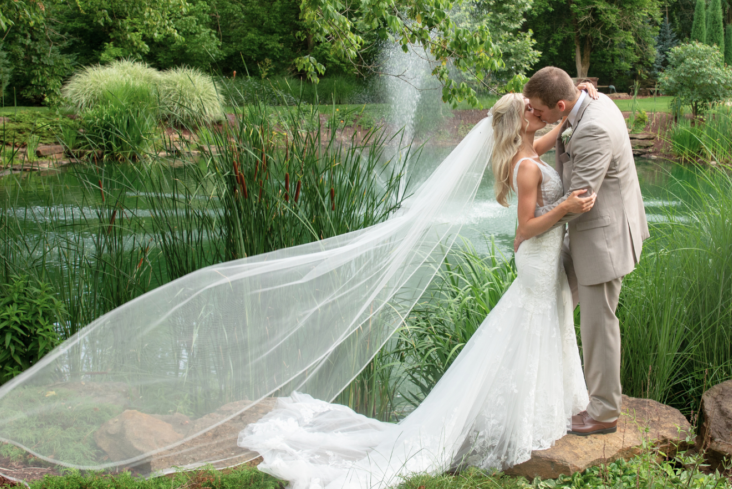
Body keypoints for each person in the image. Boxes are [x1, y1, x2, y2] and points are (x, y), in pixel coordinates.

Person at [236, 84, 602, 488]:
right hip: (536, 257)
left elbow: (556, 124)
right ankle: (521, 416)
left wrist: (575, 95)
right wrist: (566, 207)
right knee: (530, 324)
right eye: (528, 109)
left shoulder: (530, 149)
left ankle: (537, 408)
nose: (536, 110)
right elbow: (526, 228)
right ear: (519, 124)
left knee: (539, 322)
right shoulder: (527, 165)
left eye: (536, 107)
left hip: (542, 258)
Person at [520, 67, 649, 436]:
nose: (538, 117)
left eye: (541, 112)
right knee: (545, 298)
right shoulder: (585, 103)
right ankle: (545, 389)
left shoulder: (591, 127)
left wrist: (527, 224)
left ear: (560, 105)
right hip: (584, 235)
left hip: (602, 238)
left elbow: (578, 199)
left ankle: (605, 413)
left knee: (598, 324)